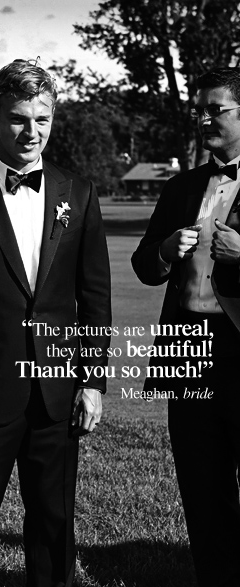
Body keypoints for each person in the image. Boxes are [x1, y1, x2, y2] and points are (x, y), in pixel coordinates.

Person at [0, 59, 112, 587]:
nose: (31, 132)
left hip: (58, 390)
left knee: (55, 521)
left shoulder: (79, 194)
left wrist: (93, 381)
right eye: (18, 119)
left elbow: (93, 299)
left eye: (43, 118)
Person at [132, 67, 240, 587]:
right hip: (189, 351)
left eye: (215, 109)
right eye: (200, 109)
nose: (203, 118)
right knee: (201, 481)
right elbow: (143, 267)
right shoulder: (181, 188)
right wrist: (163, 250)